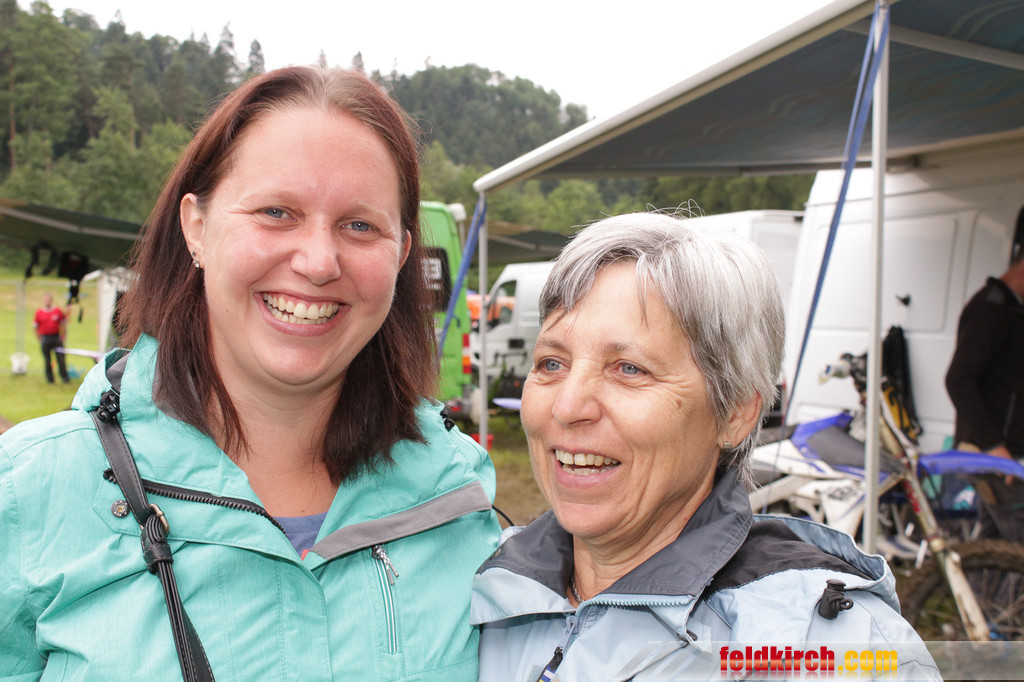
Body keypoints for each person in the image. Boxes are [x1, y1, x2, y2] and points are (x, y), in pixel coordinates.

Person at [0, 66, 499, 680]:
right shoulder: (28, 493)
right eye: (276, 211)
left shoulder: (459, 494)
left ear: (400, 254)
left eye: (360, 225)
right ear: (196, 227)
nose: (318, 261)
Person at [471, 213, 938, 681]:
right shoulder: (477, 588)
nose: (568, 406)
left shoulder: (831, 651)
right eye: (552, 363)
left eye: (629, 369)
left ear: (735, 412)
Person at [945, 250, 1024, 545]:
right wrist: (994, 446)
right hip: (991, 454)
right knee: (1017, 542)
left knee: (995, 546)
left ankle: (979, 576)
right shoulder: (990, 308)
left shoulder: (1012, 309)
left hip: (1004, 453)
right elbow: (958, 379)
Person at [33, 292, 70, 383]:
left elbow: (63, 324)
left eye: (49, 300)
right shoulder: (39, 312)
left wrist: (63, 336)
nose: (48, 301)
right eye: (46, 300)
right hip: (45, 338)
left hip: (56, 337)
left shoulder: (57, 311)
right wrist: (39, 338)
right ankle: (50, 379)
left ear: (52, 300)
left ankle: (64, 378)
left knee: (61, 359)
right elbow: (35, 326)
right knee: (47, 360)